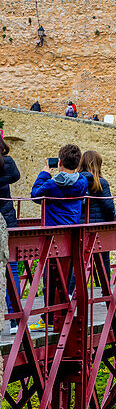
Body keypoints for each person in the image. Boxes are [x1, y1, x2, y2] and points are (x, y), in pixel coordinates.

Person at [31, 144, 87, 322]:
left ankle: (49, 315)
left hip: (53, 234)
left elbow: (35, 195)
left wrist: (45, 173)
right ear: (77, 164)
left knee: (50, 276)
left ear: (60, 162)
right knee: (68, 273)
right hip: (72, 233)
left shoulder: (51, 184)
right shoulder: (82, 182)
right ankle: (63, 311)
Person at [79, 149, 116, 282]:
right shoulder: (101, 183)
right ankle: (105, 293)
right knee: (103, 260)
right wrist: (110, 222)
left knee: (77, 261)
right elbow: (108, 206)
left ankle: (72, 294)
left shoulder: (77, 182)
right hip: (98, 228)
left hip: (79, 228)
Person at [0, 135, 22, 327]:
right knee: (12, 267)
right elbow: (16, 177)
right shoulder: (7, 162)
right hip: (7, 218)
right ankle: (15, 319)